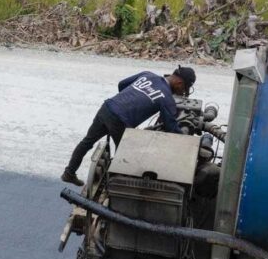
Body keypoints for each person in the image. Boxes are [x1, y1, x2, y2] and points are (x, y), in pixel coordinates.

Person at [61, 67, 196, 186]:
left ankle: (69, 173)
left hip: (108, 107)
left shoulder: (147, 74)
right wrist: (186, 139)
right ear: (179, 83)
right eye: (183, 89)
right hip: (120, 120)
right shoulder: (166, 97)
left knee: (87, 142)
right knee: (127, 158)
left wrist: (128, 101)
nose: (182, 92)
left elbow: (122, 84)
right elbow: (170, 126)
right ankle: (114, 189)